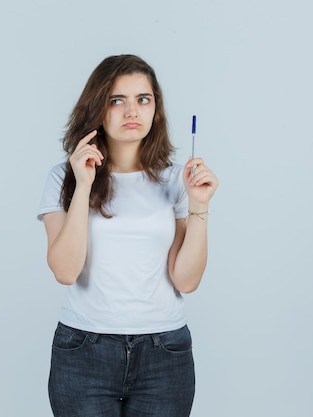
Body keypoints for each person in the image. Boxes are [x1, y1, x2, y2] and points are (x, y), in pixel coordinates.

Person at [37, 54, 219, 417]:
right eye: (116, 100)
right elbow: (65, 271)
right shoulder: (65, 177)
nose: (131, 111)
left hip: (164, 352)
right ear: (97, 108)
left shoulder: (175, 179)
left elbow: (186, 279)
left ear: (156, 109)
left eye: (143, 99)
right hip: (84, 350)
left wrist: (199, 205)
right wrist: (84, 186)